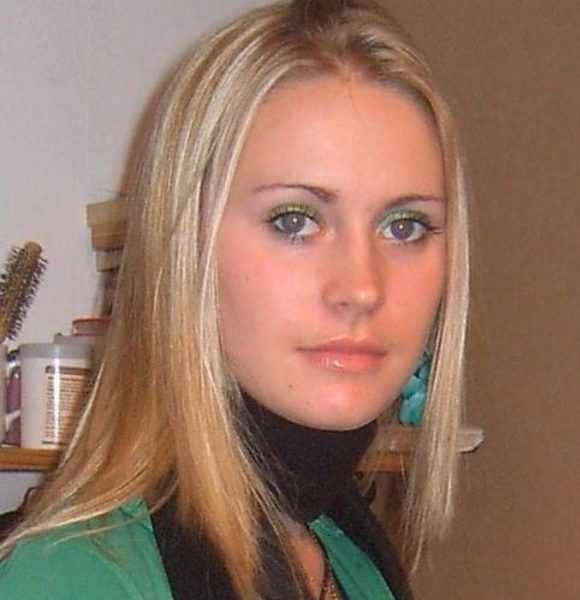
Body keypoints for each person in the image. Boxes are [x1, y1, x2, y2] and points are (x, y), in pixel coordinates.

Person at [0, 0, 469, 597]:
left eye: (404, 226)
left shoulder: (352, 559)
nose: (362, 287)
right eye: (295, 220)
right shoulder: (74, 576)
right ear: (187, 250)